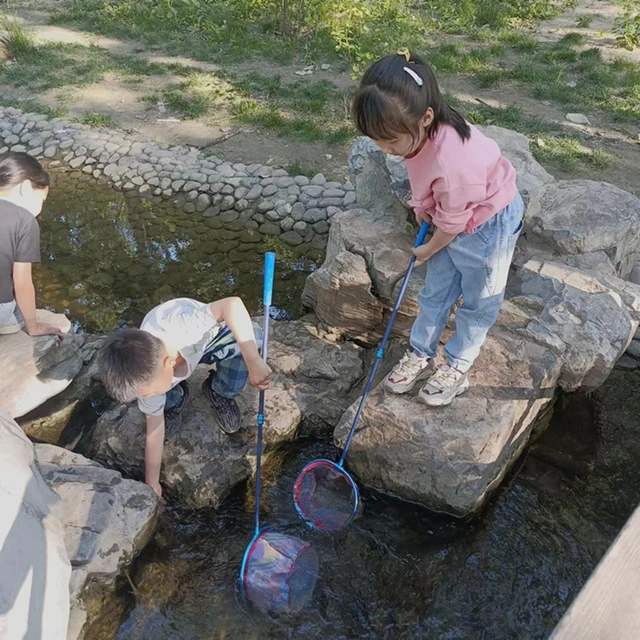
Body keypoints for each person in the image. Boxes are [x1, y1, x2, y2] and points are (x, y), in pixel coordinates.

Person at [352, 50, 523, 407]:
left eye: (391, 141)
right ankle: (420, 351)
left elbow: (453, 220)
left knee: (478, 301)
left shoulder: (452, 162)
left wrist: (429, 249)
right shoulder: (421, 133)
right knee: (436, 292)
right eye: (377, 141)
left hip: (489, 226)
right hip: (456, 215)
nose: (385, 150)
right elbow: (428, 184)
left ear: (426, 117)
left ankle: (457, 365)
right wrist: (423, 207)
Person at [97, 297, 271, 498]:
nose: (148, 397)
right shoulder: (149, 374)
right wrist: (152, 483)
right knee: (162, 402)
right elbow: (154, 427)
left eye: (150, 392)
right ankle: (178, 396)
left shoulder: (185, 327)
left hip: (207, 341)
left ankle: (220, 391)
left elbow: (232, 304)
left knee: (253, 338)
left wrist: (253, 361)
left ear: (168, 363)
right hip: (173, 364)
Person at [0, 152, 63, 337]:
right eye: (42, 199)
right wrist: (33, 326)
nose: (40, 208)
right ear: (25, 188)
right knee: (15, 316)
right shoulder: (24, 220)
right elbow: (22, 281)